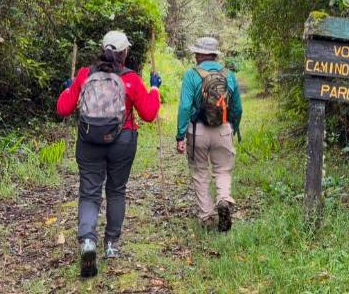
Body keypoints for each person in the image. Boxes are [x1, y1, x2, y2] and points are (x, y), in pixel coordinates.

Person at [57, 30, 162, 278]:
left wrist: (69, 88)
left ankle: (88, 243)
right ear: (125, 53)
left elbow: (63, 108)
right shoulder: (131, 79)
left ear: (102, 49)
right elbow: (148, 113)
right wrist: (155, 89)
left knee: (89, 193)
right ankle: (111, 245)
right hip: (123, 140)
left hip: (89, 140)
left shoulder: (85, 75)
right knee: (116, 191)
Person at [176, 37, 242, 232]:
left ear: (199, 55)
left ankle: (206, 217)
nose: (195, 55)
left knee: (200, 173)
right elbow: (237, 108)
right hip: (222, 129)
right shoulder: (229, 75)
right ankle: (223, 199)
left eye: (196, 52)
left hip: (198, 131)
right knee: (223, 170)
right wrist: (233, 127)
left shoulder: (191, 75)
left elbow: (185, 106)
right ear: (215, 55)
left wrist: (180, 136)